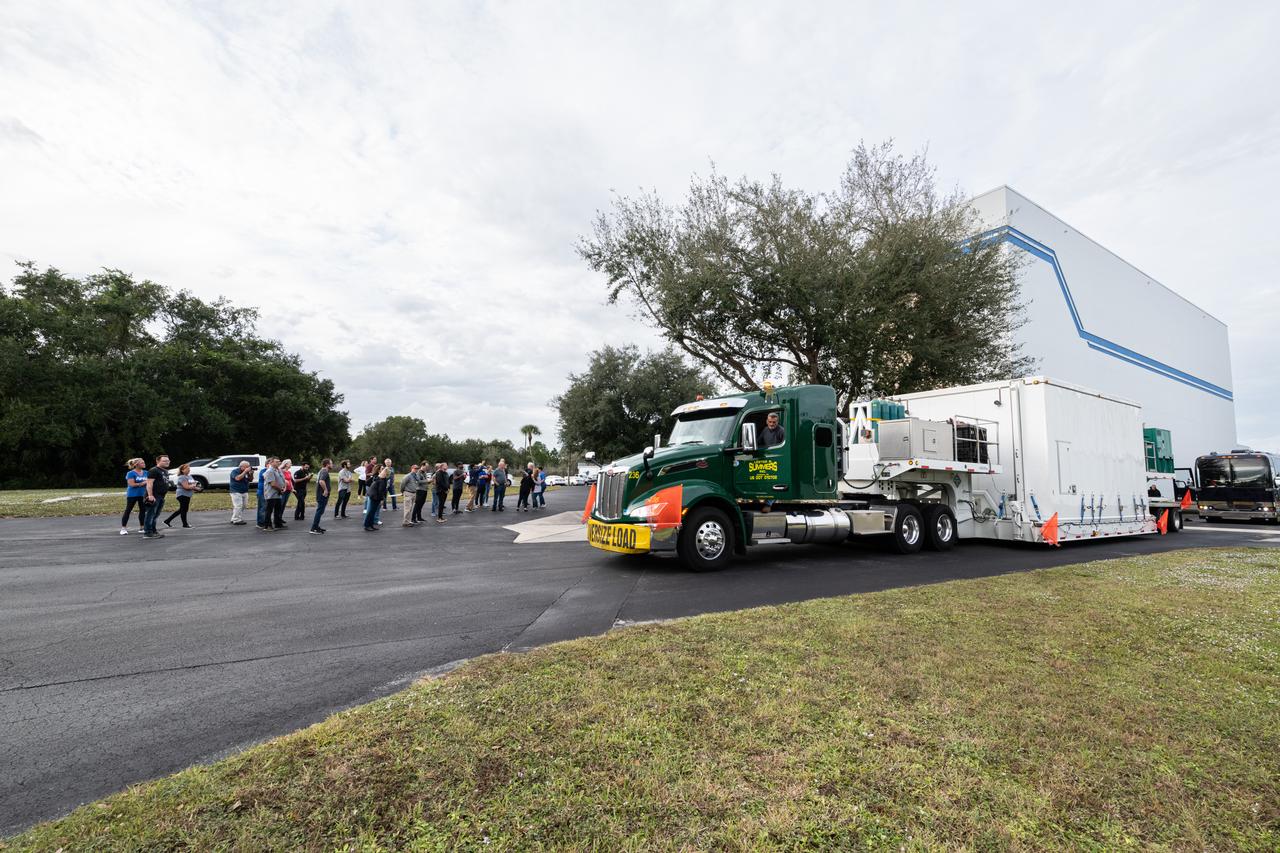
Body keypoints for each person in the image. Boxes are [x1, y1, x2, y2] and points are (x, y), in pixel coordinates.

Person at [142, 454, 171, 539]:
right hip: (154, 496)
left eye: (168, 460)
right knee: (150, 514)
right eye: (164, 461)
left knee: (155, 515)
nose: (167, 462)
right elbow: (149, 483)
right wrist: (150, 495)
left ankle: (153, 531)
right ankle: (147, 533)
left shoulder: (165, 471)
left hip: (161, 496)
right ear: (158, 461)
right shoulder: (154, 470)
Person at [163, 464, 200, 528]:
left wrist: (198, 489)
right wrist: (194, 486)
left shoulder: (189, 476)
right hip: (182, 495)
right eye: (187, 468)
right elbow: (186, 487)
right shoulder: (182, 477)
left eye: (189, 468)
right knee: (184, 509)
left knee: (182, 509)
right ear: (182, 470)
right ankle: (185, 524)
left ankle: (167, 521)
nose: (189, 469)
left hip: (187, 495)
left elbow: (192, 485)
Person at [121, 458, 148, 535]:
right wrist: (143, 483)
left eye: (144, 462)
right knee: (128, 510)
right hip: (132, 495)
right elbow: (132, 484)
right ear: (137, 465)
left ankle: (142, 528)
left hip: (143, 495)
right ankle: (123, 528)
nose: (144, 464)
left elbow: (149, 483)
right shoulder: (130, 473)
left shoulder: (146, 472)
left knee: (143, 511)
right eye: (142, 463)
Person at [261, 458, 286, 532]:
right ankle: (267, 526)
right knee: (269, 510)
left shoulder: (278, 470)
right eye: (277, 461)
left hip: (278, 493)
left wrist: (283, 487)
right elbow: (273, 484)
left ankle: (278, 524)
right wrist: (280, 490)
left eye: (279, 461)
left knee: (278, 510)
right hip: (271, 494)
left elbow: (282, 480)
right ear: (271, 462)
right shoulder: (270, 471)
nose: (279, 462)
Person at [310, 459, 331, 534]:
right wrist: (325, 490)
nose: (332, 465)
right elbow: (321, 481)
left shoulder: (322, 471)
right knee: (319, 511)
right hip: (322, 495)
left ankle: (316, 526)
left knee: (320, 511)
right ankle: (313, 528)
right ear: (327, 464)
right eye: (331, 463)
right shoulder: (324, 471)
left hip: (321, 494)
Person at [229, 460, 252, 525]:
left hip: (244, 491)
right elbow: (237, 478)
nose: (248, 468)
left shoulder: (247, 472)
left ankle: (234, 518)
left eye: (248, 466)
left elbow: (250, 480)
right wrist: (245, 472)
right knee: (238, 506)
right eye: (246, 467)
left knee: (244, 506)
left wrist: (251, 474)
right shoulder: (235, 471)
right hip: (235, 491)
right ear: (241, 466)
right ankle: (237, 520)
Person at [364, 467, 388, 531]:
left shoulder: (380, 478)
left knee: (373, 512)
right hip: (374, 497)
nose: (386, 474)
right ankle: (367, 525)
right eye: (386, 473)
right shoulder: (381, 480)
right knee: (370, 512)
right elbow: (381, 491)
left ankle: (371, 525)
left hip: (374, 496)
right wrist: (382, 499)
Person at [256, 459, 269, 528]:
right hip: (262, 492)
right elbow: (265, 477)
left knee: (264, 507)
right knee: (262, 508)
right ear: (267, 464)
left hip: (267, 492)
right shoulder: (263, 471)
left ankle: (262, 521)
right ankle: (261, 523)